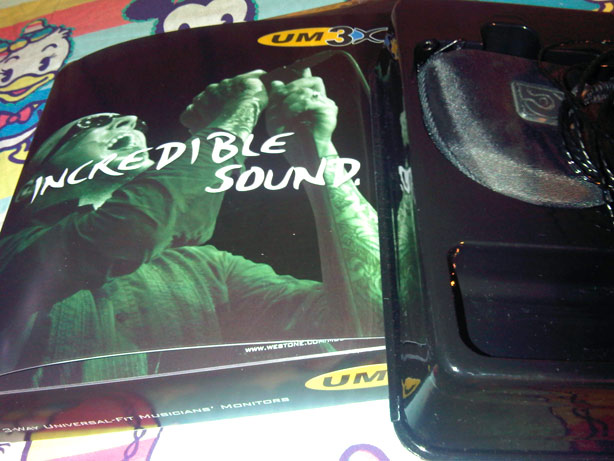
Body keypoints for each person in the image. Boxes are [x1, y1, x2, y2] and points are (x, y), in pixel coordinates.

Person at [0, 69, 382, 386]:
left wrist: (314, 149)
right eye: (92, 124)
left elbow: (370, 320)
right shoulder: (13, 247)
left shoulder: (208, 268)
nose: (131, 122)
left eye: (137, 124)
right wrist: (238, 114)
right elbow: (132, 228)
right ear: (32, 186)